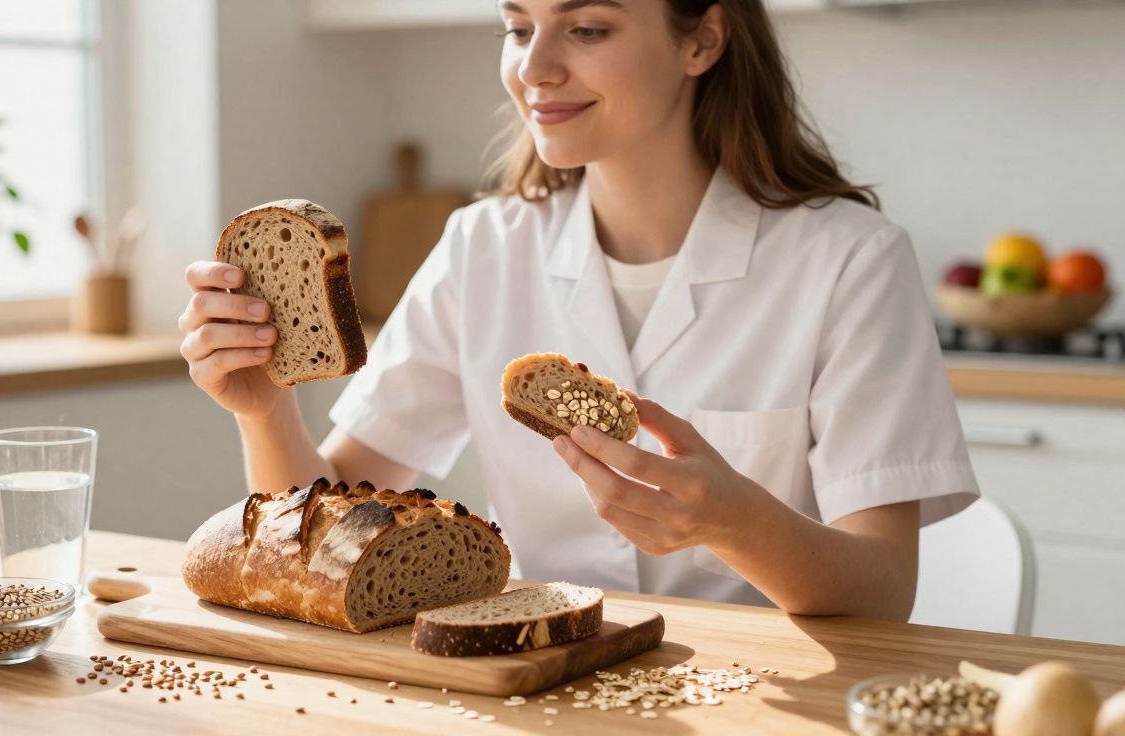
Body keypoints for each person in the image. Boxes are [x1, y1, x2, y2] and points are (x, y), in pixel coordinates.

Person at [178, 0, 978, 620]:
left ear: (702, 40)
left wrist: (734, 523)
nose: (534, 68)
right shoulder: (483, 246)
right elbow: (327, 528)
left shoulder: (850, 260)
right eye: (519, 26)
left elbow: (882, 589)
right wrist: (264, 411)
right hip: (533, 685)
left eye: (587, 28)